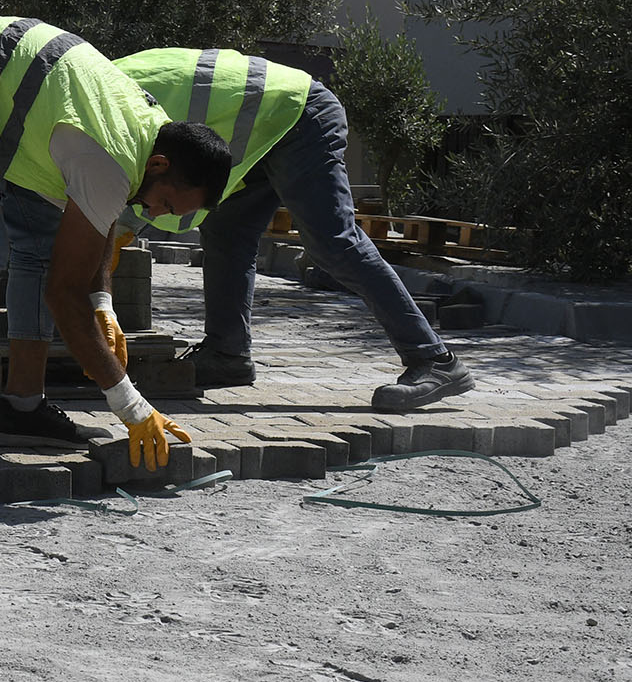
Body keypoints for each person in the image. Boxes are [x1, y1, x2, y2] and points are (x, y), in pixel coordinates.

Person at [0, 15, 233, 469]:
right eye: (166, 203)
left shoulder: (149, 133)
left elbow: (100, 221)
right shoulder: (111, 158)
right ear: (158, 166)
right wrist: (131, 407)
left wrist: (104, 304)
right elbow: (63, 294)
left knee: (39, 246)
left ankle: (22, 409)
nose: (156, 214)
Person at [102, 46, 475, 411]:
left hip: (300, 116)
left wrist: (109, 245)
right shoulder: (99, 87)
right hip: (260, 129)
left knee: (334, 242)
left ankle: (434, 360)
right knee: (225, 233)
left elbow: (135, 176)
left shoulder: (105, 102)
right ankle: (227, 352)